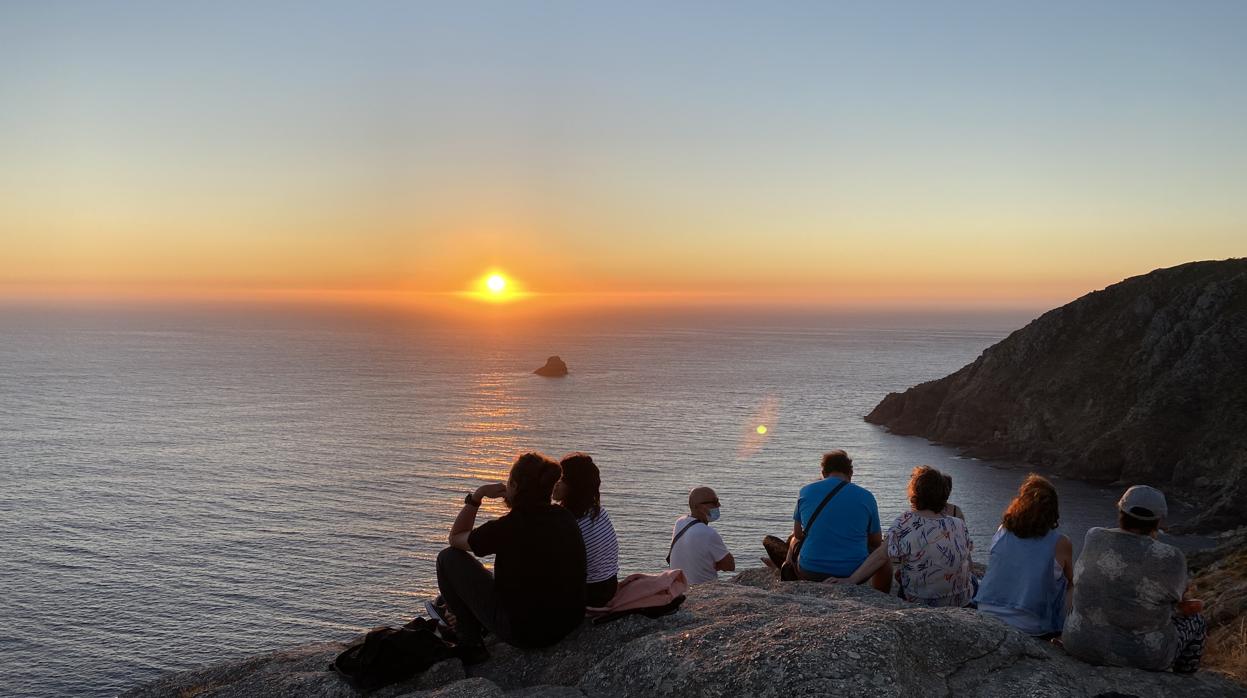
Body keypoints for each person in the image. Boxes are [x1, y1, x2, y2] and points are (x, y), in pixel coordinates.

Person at [435, 452, 586, 662]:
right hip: (568, 622)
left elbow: (455, 538)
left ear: (513, 486)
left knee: (447, 558)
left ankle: (470, 642)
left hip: (526, 633)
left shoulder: (507, 528)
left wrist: (476, 497)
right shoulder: (565, 517)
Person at [1062, 486, 1207, 673]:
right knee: (1197, 621)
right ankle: (1183, 681)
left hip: (1078, 642)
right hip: (1141, 657)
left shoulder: (1094, 536)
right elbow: (1180, 602)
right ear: (1159, 521)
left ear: (1121, 511)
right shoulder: (1171, 557)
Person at [829, 465, 974, 607]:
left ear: (914, 492)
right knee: (974, 580)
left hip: (920, 600)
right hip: (960, 600)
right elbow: (967, 560)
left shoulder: (905, 522)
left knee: (902, 574)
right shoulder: (958, 523)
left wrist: (851, 579)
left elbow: (881, 555)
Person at [764, 450, 891, 590]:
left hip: (810, 571)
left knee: (794, 538)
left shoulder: (805, 491)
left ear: (823, 473)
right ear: (850, 474)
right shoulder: (867, 497)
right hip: (853, 572)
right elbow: (876, 542)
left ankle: (787, 567)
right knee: (883, 556)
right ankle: (881, 598)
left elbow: (799, 534)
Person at [974, 474, 1074, 637]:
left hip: (987, 611)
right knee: (1069, 584)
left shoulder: (1003, 530)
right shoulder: (1061, 543)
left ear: (1020, 504)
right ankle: (1063, 633)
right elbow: (1071, 581)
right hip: (1030, 624)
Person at [554, 452, 620, 607]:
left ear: (574, 486)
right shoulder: (597, 511)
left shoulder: (567, 522)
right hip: (609, 586)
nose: (554, 483)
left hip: (590, 593)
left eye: (561, 479)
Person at [668, 486, 734, 584]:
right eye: (715, 502)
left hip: (679, 588)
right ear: (700, 506)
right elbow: (730, 566)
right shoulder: (708, 533)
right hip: (703, 589)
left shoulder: (680, 522)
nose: (719, 505)